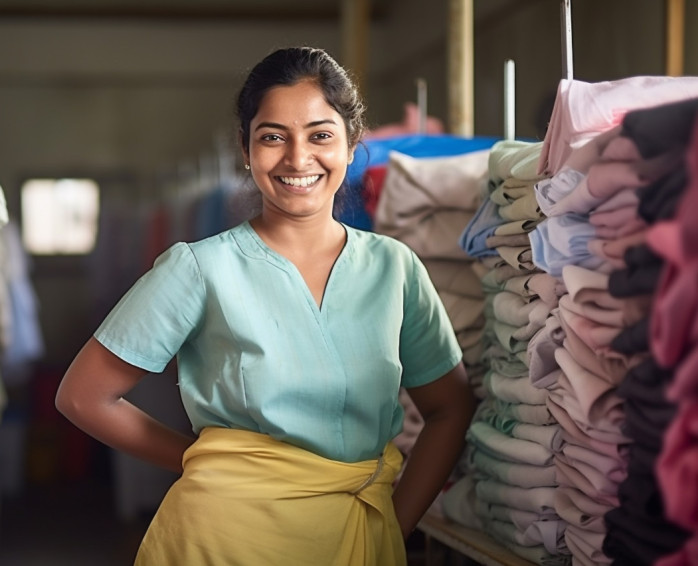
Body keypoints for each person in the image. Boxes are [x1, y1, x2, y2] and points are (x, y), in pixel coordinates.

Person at [55, 46, 476, 566]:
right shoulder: (199, 268)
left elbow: (449, 408)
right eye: (273, 137)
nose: (298, 159)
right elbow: (83, 396)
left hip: (358, 537)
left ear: (350, 145)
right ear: (246, 149)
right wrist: (202, 462)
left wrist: (395, 521)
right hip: (225, 537)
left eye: (320, 135)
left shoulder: (395, 268)